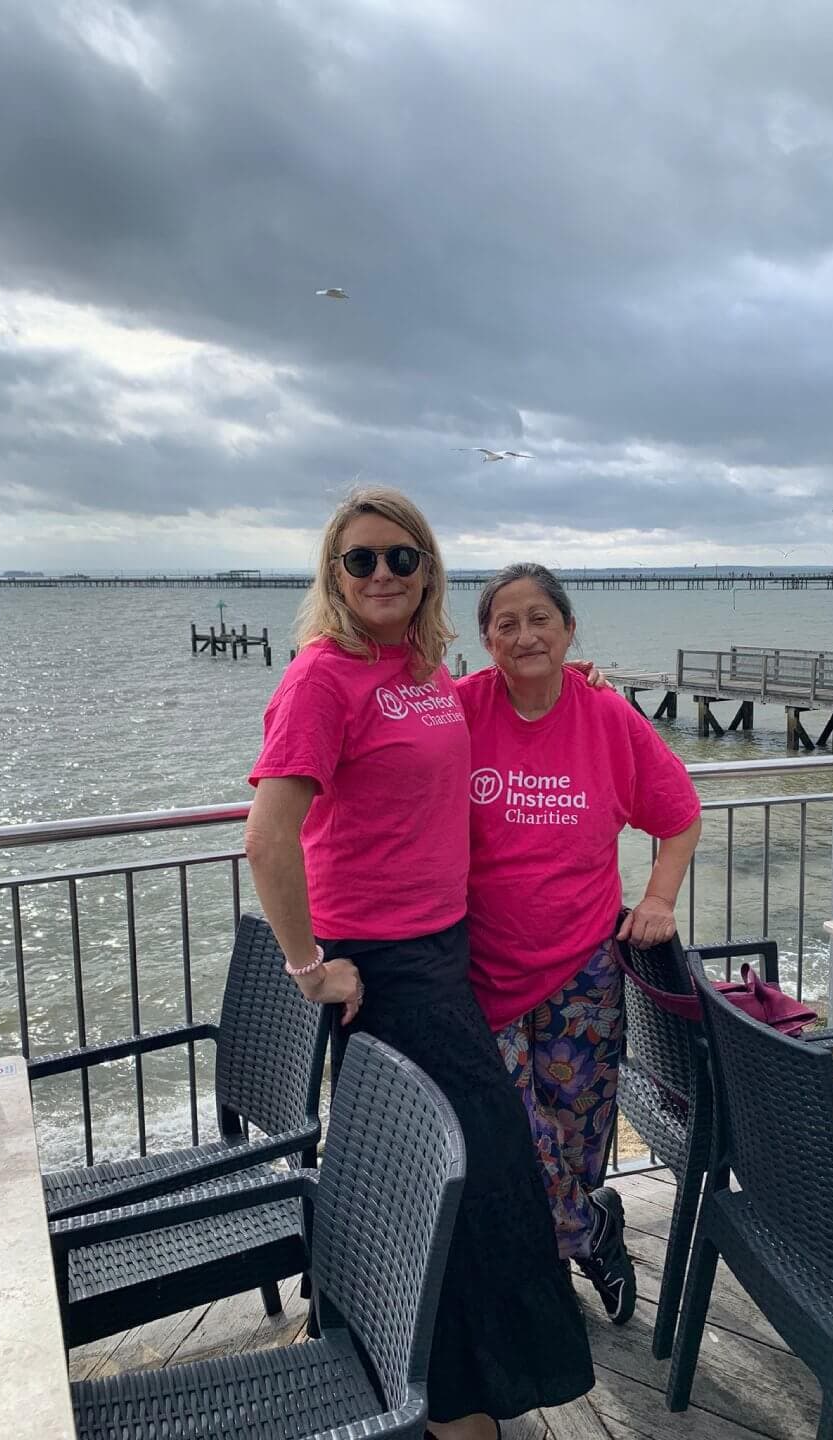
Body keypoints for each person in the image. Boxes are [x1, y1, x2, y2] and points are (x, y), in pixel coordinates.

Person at [244, 489, 593, 1440]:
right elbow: (268, 839)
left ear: (428, 569)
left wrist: (574, 687)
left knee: (458, 1187)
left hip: (448, 953)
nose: (384, 575)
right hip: (385, 973)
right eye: (361, 561)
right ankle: (450, 1404)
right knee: (464, 1188)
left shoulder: (424, 670)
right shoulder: (323, 678)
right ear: (334, 575)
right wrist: (309, 965)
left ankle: (432, 1388)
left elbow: (500, 717)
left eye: (403, 558)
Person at [455, 564, 702, 1327]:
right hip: (481, 971)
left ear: (568, 631)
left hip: (583, 969)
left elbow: (679, 812)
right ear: (486, 640)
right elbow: (386, 728)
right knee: (510, 1142)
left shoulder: (607, 717)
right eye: (506, 623)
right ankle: (589, 1229)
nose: (525, 635)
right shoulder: (459, 711)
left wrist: (659, 897)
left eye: (540, 619)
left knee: (576, 1133)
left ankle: (561, 1249)